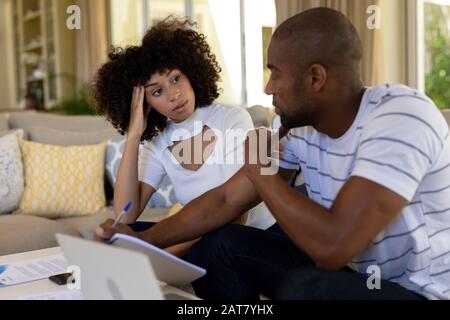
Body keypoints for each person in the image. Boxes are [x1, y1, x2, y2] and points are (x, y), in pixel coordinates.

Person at [95, 8, 450, 300]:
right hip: (352, 272)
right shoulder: (297, 128)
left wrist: (259, 171)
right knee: (220, 247)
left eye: (275, 73)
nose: (267, 88)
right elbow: (224, 200)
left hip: (419, 292)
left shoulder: (399, 116)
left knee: (307, 289)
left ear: (316, 78)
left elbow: (334, 245)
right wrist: (140, 240)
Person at [93, 17, 276, 256]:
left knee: (214, 242)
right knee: (120, 233)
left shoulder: (231, 118)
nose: (174, 94)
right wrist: (133, 135)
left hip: (248, 239)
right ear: (144, 103)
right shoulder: (158, 142)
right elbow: (125, 214)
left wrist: (162, 252)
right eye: (157, 91)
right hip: (203, 238)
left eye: (176, 78)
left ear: (190, 72)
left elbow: (236, 215)